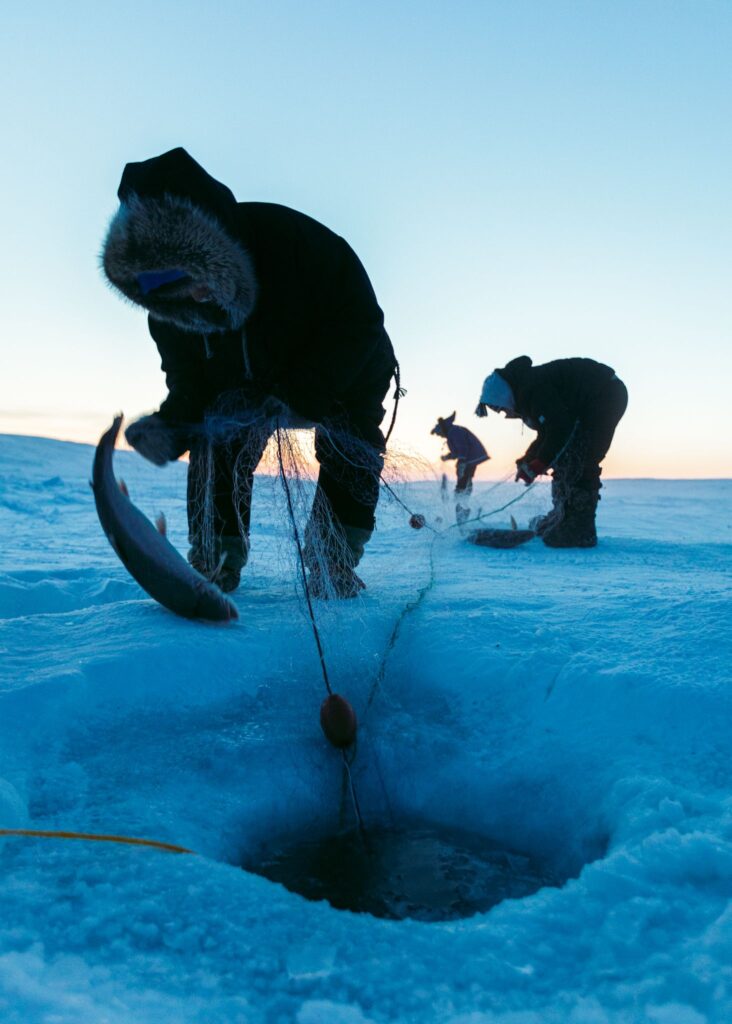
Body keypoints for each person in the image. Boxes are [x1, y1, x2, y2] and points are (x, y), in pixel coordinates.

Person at [102, 147, 397, 596]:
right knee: (217, 435)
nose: (191, 292)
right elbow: (191, 385)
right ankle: (214, 561)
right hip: (246, 383)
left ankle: (332, 563)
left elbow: (359, 323)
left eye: (193, 271)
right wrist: (174, 424)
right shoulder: (169, 313)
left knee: (350, 447)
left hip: (346, 368)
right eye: (161, 282)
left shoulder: (295, 242)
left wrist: (301, 391)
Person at [475, 356, 628, 547]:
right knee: (566, 456)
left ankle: (579, 529)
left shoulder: (532, 389)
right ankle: (562, 516)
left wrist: (538, 463)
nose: (502, 414)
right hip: (592, 401)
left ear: (504, 395)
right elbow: (546, 433)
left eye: (498, 408)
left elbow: (559, 428)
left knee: (581, 459)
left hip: (604, 396)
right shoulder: (527, 390)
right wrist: (529, 460)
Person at [430, 413, 490, 494]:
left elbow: (463, 447)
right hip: (469, 457)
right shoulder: (451, 433)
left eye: (439, 434)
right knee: (464, 476)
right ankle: (462, 496)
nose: (440, 436)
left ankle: (461, 497)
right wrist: (447, 457)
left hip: (471, 456)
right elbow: (456, 452)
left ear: (442, 430)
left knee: (463, 476)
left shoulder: (454, 432)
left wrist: (462, 462)